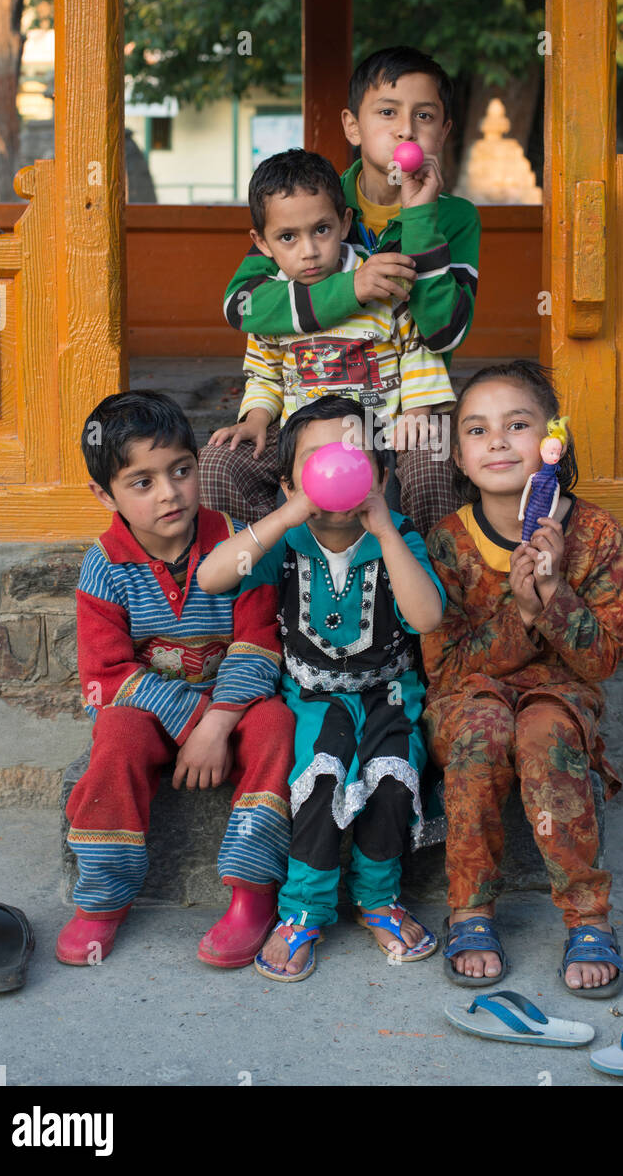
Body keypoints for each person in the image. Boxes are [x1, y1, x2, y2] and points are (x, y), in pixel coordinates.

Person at [197, 395, 446, 981]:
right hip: (310, 696)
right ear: (289, 484)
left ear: (379, 477)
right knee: (318, 781)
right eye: (317, 461)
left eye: (353, 456)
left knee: (390, 781)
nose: (337, 467)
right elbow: (211, 577)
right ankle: (303, 909)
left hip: (390, 693)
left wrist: (384, 527)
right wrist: (285, 517)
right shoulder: (283, 540)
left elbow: (428, 617)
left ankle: (378, 900)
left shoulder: (398, 537)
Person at [57, 390, 295, 970]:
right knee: (115, 736)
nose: (169, 492)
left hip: (234, 711)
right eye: (142, 482)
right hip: (156, 717)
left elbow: (260, 641)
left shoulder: (240, 544)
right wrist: (189, 720)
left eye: (181, 471)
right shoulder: (106, 566)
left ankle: (253, 894)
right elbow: (105, 677)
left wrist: (216, 722)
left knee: (279, 725)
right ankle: (103, 899)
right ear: (102, 494)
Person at [208, 46, 482, 536]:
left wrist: (420, 216)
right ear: (353, 126)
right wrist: (351, 287)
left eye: (424, 116)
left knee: (434, 459)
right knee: (219, 463)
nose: (406, 130)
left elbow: (440, 333)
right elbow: (244, 305)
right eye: (387, 112)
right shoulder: (312, 201)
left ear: (444, 132)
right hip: (300, 416)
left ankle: (433, 597)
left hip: (397, 410)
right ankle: (261, 582)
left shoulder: (456, 217)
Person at [420, 360, 623, 997]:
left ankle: (588, 915)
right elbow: (447, 668)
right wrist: (523, 612)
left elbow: (600, 663)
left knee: (542, 731)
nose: (498, 442)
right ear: (458, 456)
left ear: (551, 440)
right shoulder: (447, 542)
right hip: (469, 698)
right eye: (477, 431)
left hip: (559, 695)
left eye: (517, 425)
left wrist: (554, 597)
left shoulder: (594, 533)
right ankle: (471, 907)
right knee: (484, 727)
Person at [200, 148, 455, 529]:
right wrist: (255, 419)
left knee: (433, 456)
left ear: (344, 220)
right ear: (263, 243)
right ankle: (258, 569)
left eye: (322, 229)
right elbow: (265, 375)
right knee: (218, 463)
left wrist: (416, 415)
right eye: (287, 237)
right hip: (297, 439)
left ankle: (432, 572)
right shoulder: (274, 304)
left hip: (381, 434)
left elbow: (416, 347)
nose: (309, 251)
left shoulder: (380, 279)